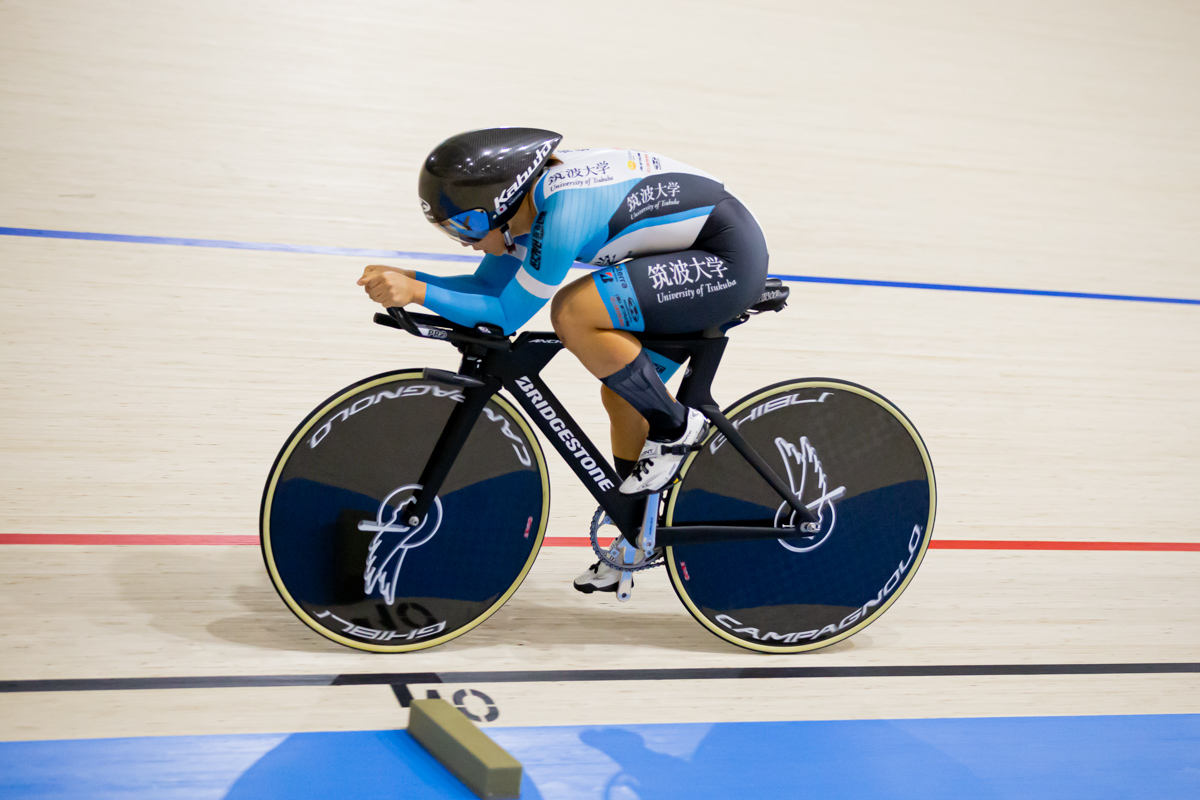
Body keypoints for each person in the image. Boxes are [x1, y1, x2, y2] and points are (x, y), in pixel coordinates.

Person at [358, 127, 769, 593]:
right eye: (450, 231)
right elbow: (489, 290)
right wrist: (412, 279)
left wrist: (417, 291)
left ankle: (676, 429)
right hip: (687, 258)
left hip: (724, 260)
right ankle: (638, 535)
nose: (465, 241)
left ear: (503, 201)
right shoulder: (525, 210)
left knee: (573, 311)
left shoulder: (562, 213)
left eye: (468, 226)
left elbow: (507, 314)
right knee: (624, 398)